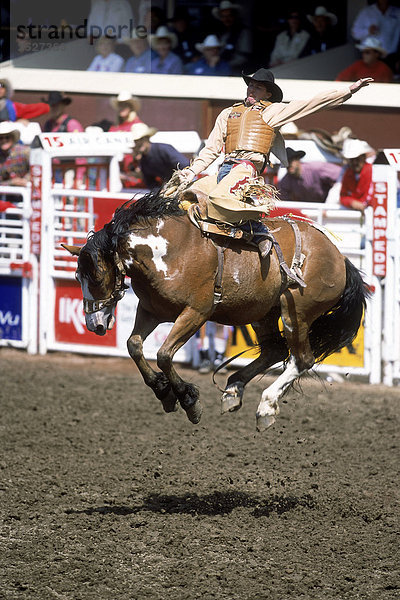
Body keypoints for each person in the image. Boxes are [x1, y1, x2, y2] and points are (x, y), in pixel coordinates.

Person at [174, 68, 373, 258]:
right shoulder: (228, 113)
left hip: (245, 168)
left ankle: (258, 230)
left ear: (268, 94)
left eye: (257, 87)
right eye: (250, 85)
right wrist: (192, 171)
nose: (251, 89)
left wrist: (347, 90)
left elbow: (311, 103)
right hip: (225, 167)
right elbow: (211, 148)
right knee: (188, 195)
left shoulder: (273, 111)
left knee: (219, 197)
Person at [126, 123, 189, 190]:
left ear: (147, 138)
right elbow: (150, 182)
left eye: (141, 139)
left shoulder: (163, 149)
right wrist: (159, 192)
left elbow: (185, 165)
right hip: (170, 187)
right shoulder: (143, 160)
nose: (138, 143)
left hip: (186, 181)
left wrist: (179, 182)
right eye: (136, 141)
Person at [278, 147, 342, 203]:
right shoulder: (285, 182)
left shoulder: (316, 168)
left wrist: (332, 199)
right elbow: (283, 201)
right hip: (308, 209)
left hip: (326, 206)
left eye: (291, 161)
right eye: (285, 162)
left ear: (298, 160)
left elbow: (341, 174)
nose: (288, 164)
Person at [351, 0, 400, 66]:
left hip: (391, 56)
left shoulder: (397, 12)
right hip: (371, 56)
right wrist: (367, 31)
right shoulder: (366, 12)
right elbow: (355, 33)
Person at [211, 0, 252, 74]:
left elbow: (244, 57)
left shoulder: (243, 32)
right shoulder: (221, 32)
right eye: (223, 16)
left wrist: (224, 65)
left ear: (235, 16)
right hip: (219, 68)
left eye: (229, 16)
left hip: (236, 71)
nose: (226, 19)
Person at [339, 138, 374, 212]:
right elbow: (343, 196)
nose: (354, 163)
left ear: (364, 158)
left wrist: (361, 204)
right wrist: (352, 202)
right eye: (351, 160)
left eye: (357, 159)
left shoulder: (372, 171)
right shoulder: (348, 174)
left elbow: (371, 195)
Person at [0, 121, 30, 188]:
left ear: (12, 138)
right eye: (1, 138)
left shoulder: (25, 152)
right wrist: (12, 182)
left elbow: (35, 169)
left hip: (26, 191)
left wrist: (25, 180)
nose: (4, 140)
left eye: (7, 137)